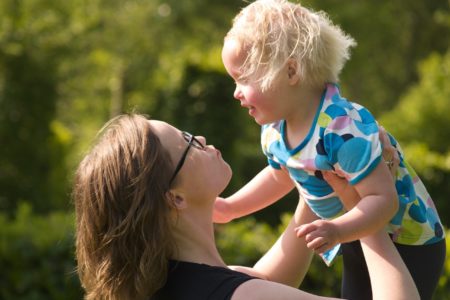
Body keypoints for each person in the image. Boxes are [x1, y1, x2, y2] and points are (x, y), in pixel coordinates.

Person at [215, 0, 446, 299]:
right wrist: (232, 207)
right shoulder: (275, 129)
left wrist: (338, 231)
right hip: (352, 230)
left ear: (291, 72)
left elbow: (383, 200)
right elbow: (280, 176)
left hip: (409, 241)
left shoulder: (342, 128)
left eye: (243, 79)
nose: (236, 92)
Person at [73, 113, 419, 300]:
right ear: (174, 198)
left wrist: (314, 170)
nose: (203, 140)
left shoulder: (172, 285)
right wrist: (367, 208)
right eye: (188, 142)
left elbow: (269, 278)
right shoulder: (241, 294)